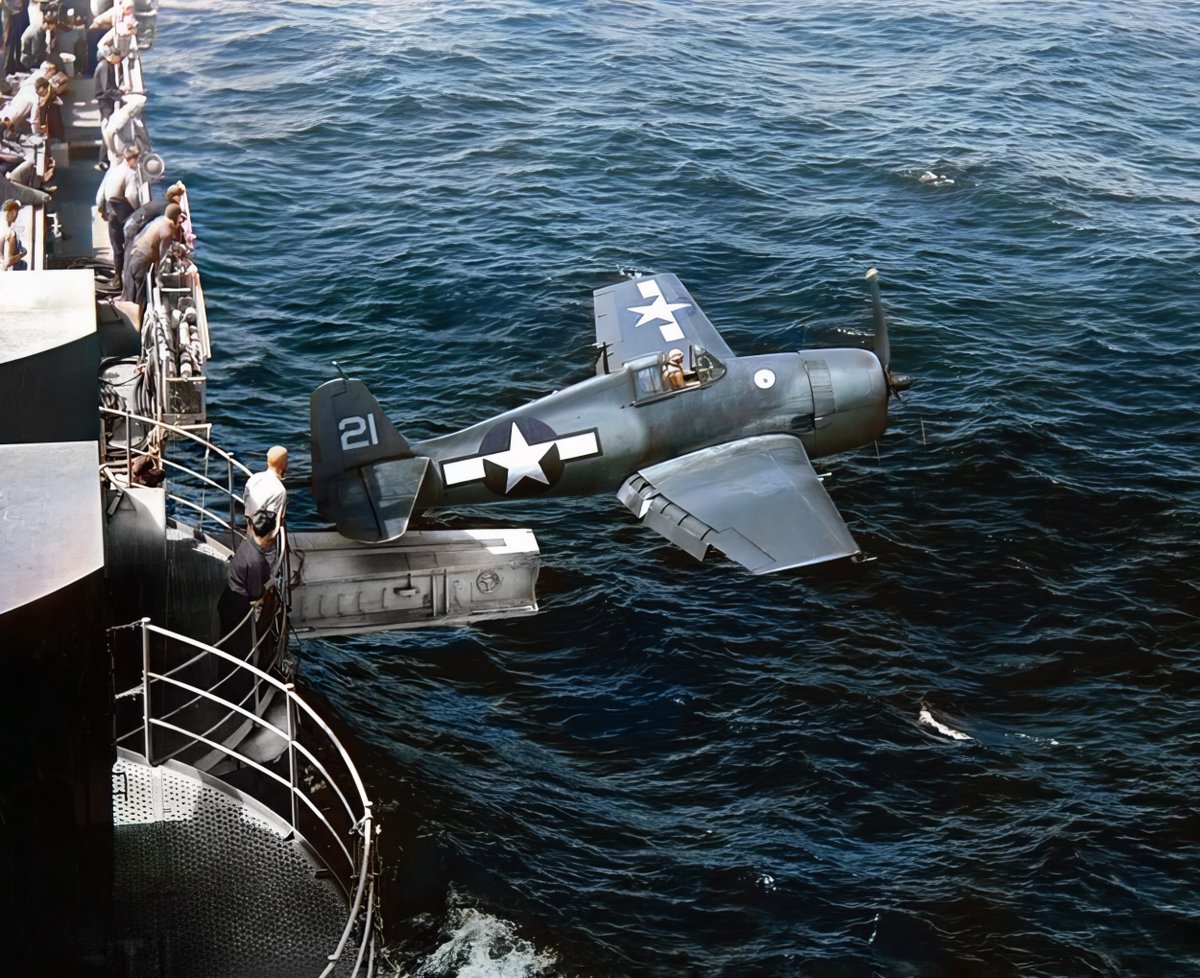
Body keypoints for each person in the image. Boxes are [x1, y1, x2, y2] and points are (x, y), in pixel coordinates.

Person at [216, 510, 279, 643]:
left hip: (228, 596)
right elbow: (255, 592)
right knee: (236, 642)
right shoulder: (255, 560)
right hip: (238, 604)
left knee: (226, 635)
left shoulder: (248, 541)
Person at [94, 142, 140, 279]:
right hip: (122, 213)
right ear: (132, 159)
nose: (137, 163)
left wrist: (102, 210)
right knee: (128, 245)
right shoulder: (130, 174)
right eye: (137, 159)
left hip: (110, 211)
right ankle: (126, 278)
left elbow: (100, 195)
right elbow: (131, 196)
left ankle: (117, 278)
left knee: (116, 247)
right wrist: (138, 210)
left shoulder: (113, 170)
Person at [120, 200, 179, 307]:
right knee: (141, 294)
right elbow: (162, 258)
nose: (181, 221)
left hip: (134, 252)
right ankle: (137, 319)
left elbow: (141, 235)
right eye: (180, 218)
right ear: (175, 217)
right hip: (142, 260)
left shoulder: (159, 221)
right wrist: (159, 279)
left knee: (132, 286)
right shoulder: (167, 231)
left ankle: (127, 303)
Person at [92, 46, 123, 166]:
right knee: (107, 130)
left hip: (105, 101)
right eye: (118, 58)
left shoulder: (107, 65)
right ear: (113, 56)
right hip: (105, 103)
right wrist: (121, 93)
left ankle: (103, 158)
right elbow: (106, 89)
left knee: (107, 128)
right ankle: (103, 160)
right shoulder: (105, 67)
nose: (119, 60)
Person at [243, 446, 288, 530]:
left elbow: (246, 502)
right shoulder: (279, 490)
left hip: (250, 530)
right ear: (283, 464)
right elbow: (275, 521)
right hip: (265, 537)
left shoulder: (253, 478)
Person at [1, 197, 27, 270]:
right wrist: (22, 254)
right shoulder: (9, 232)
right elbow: (7, 261)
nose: (15, 215)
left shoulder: (5, 230)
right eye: (14, 212)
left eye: (16, 212)